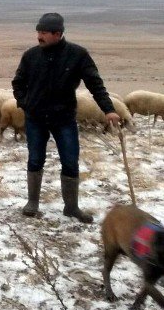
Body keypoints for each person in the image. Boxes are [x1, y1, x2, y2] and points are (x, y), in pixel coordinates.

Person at [12, 13, 121, 223]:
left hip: (63, 118)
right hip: (35, 117)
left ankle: (71, 207)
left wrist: (108, 109)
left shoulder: (78, 55)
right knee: (35, 159)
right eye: (38, 32)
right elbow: (18, 82)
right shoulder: (30, 56)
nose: (39, 36)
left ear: (58, 34)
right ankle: (32, 202)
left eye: (43, 33)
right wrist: (25, 103)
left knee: (70, 161)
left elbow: (95, 84)